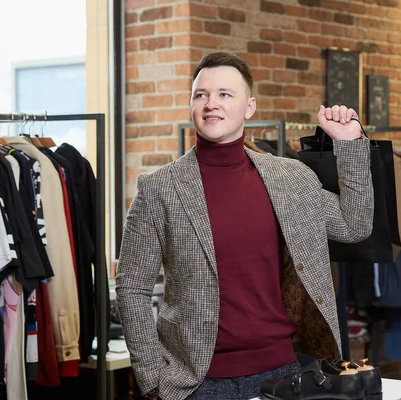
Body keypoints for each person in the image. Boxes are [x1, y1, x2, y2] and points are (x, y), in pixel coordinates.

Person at [116, 52, 374, 400]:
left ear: (249, 107)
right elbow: (132, 285)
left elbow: (353, 226)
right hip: (196, 384)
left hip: (286, 375)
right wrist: (152, 379)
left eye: (225, 94)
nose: (211, 104)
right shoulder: (159, 188)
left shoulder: (291, 179)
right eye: (201, 94)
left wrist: (348, 144)